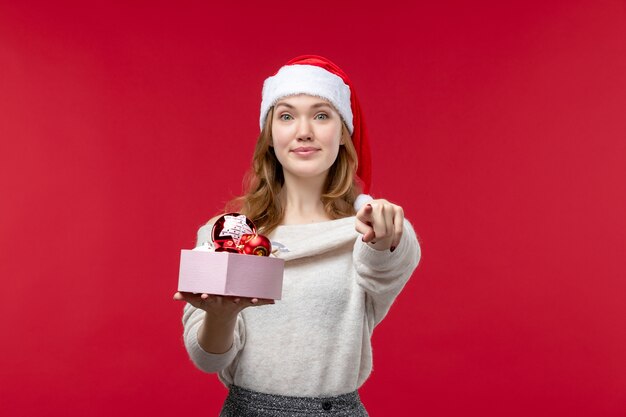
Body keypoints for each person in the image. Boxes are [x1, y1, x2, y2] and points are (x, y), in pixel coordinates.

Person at [174, 55, 421, 416]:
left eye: (321, 115)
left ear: (342, 133)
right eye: (287, 116)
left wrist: (386, 238)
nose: (304, 130)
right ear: (270, 136)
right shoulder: (231, 232)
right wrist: (221, 315)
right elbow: (208, 360)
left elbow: (386, 264)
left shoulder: (366, 228)